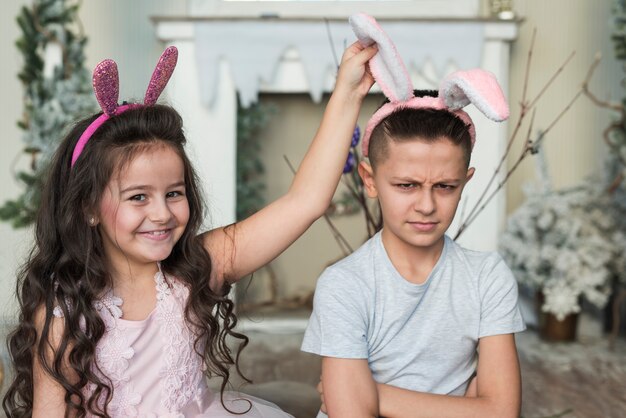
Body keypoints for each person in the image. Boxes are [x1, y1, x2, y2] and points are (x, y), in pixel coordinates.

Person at [2, 41, 376, 418]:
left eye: (174, 193)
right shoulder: (65, 311)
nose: (162, 213)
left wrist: (347, 91)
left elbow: (305, 202)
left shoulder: (198, 265)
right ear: (89, 208)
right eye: (138, 197)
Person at [301, 13, 526, 418]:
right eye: (406, 186)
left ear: (465, 180)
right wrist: (470, 407)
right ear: (370, 180)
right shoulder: (343, 285)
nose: (426, 205)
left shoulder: (488, 276)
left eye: (445, 186)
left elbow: (502, 411)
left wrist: (375, 394)